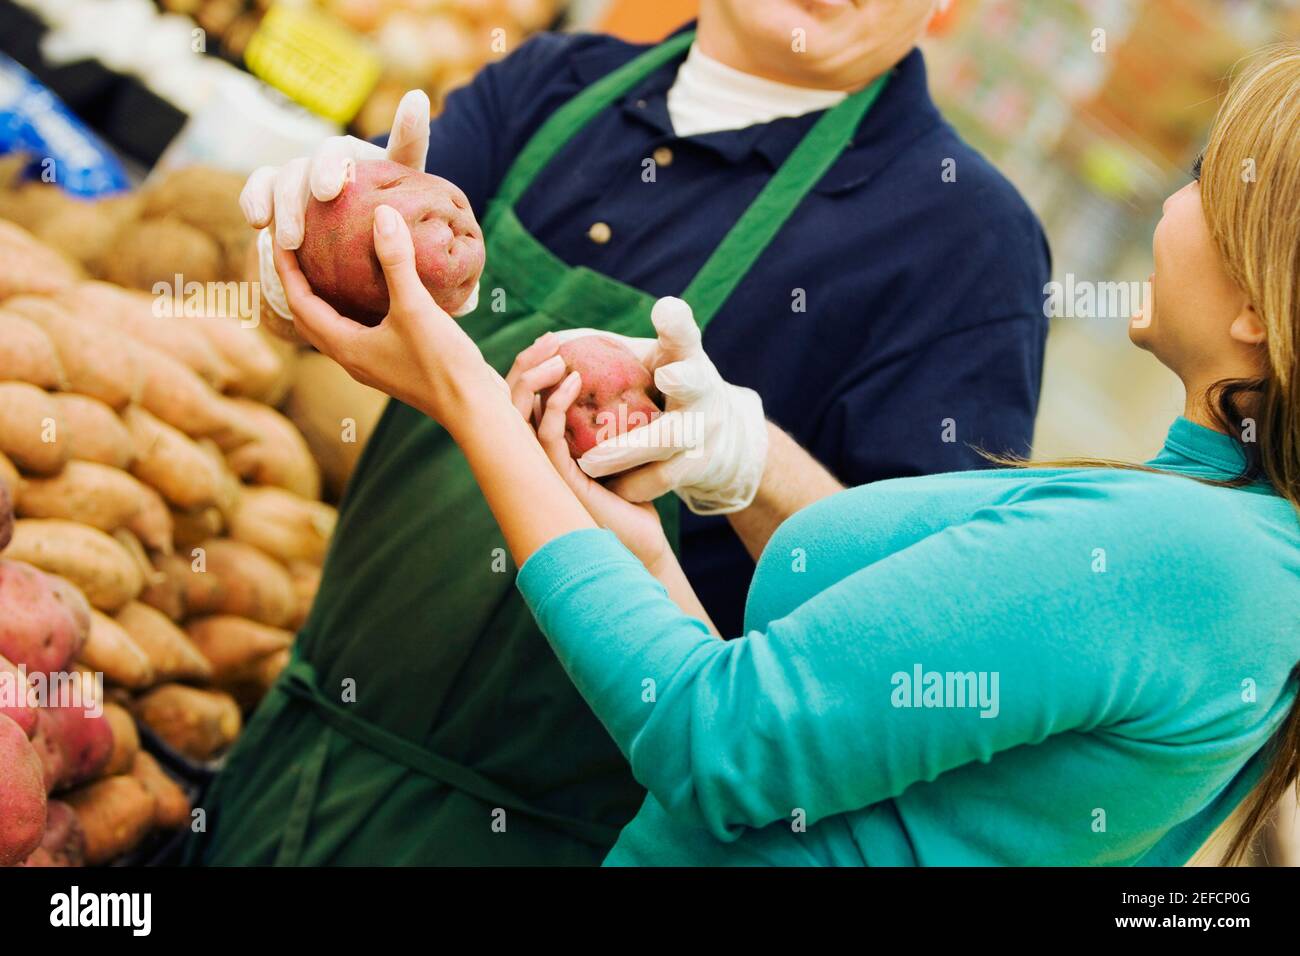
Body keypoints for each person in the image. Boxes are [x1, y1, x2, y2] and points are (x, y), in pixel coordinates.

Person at [267, 42, 1299, 866]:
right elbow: (806, 694)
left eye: (1205, 178)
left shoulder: (1190, 556)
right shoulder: (1185, 516)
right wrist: (644, 538)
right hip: (303, 753)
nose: (1169, 201)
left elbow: (716, 741)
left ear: (1256, 308)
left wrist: (466, 394)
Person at [191, 0, 1049, 866]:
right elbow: (327, 307)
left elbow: (904, 634)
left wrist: (751, 466)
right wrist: (297, 250)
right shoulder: (547, 84)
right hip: (293, 766)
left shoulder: (967, 242)